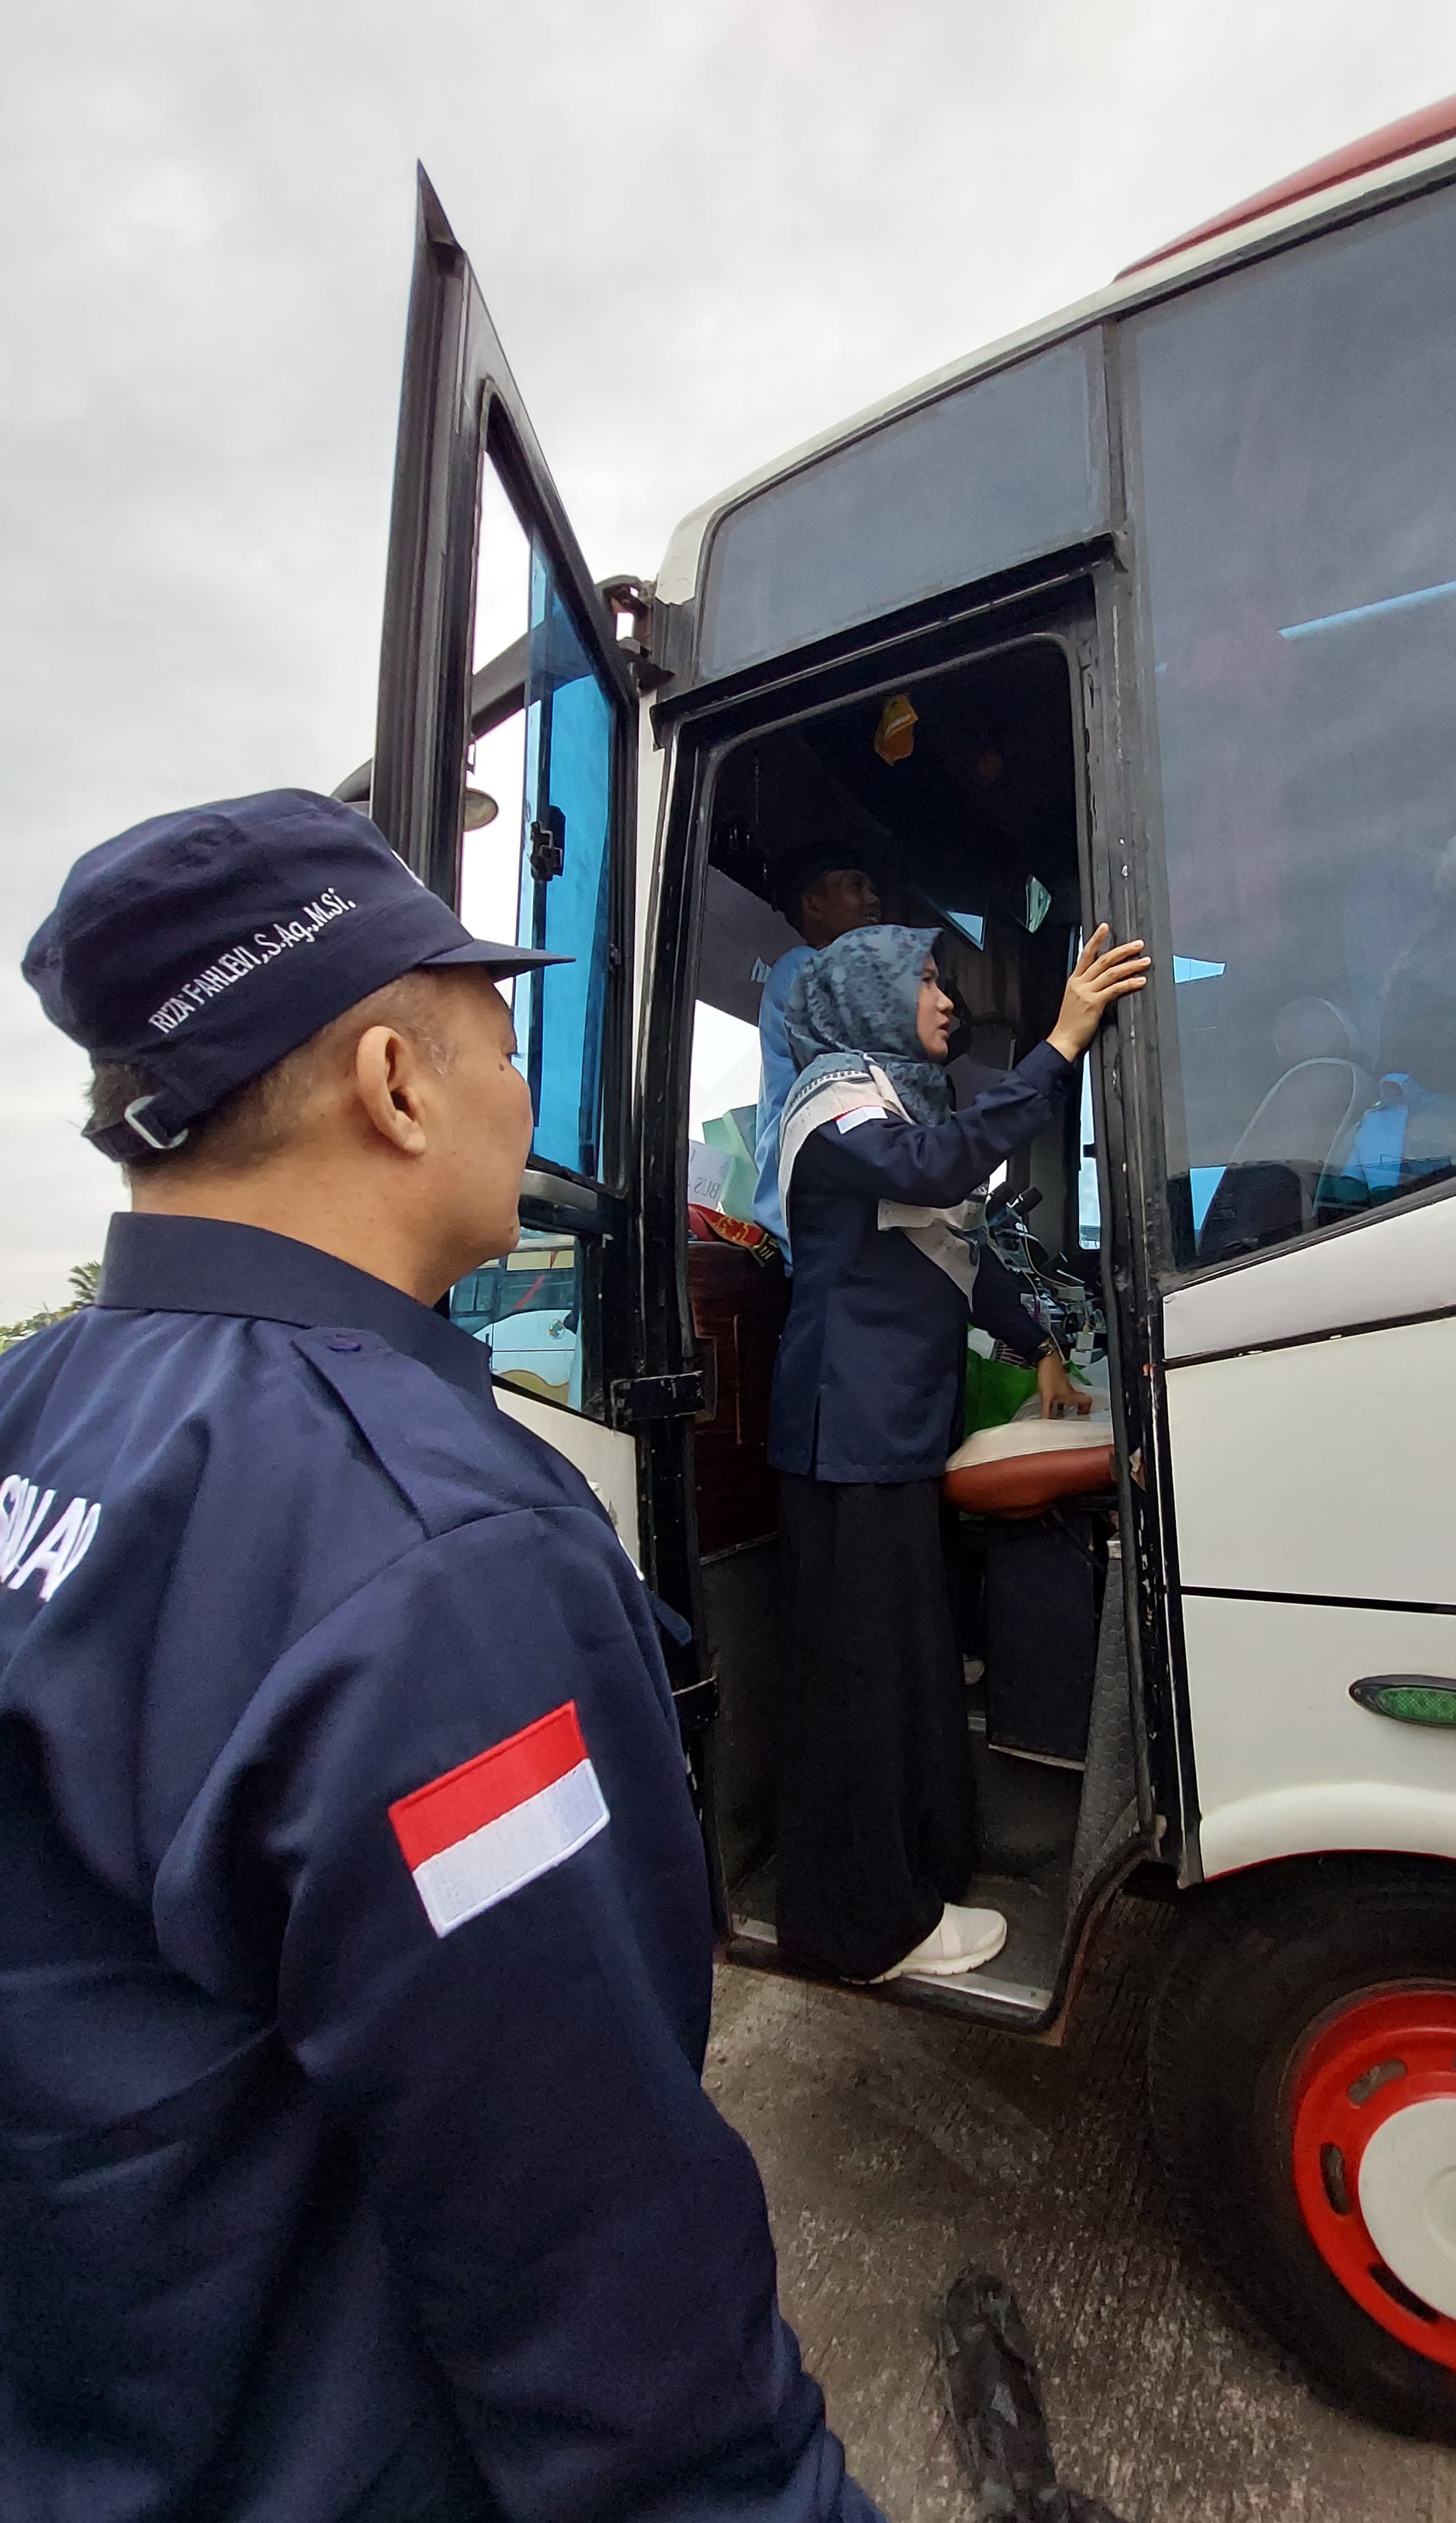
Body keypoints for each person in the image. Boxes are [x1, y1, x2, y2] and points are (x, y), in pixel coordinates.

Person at [1, 788, 883, 2523]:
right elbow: (590, 2244)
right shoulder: (438, 1557)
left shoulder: (36, 1406)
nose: (517, 1094)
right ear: (395, 1087)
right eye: (495, 1044)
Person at [766, 921, 1148, 1986]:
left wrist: (1039, 1353)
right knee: (858, 1689)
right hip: (845, 1437)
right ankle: (862, 1931)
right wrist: (1062, 1042)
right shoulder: (833, 1096)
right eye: (926, 978)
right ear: (871, 995)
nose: (947, 996)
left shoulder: (894, 1101)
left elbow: (954, 1256)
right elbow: (933, 1175)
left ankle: (916, 1881)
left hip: (890, 1437)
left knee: (905, 1670)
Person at [751, 856, 883, 1259]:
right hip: (817, 1219)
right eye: (856, 885)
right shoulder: (806, 969)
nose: (873, 900)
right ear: (813, 905)